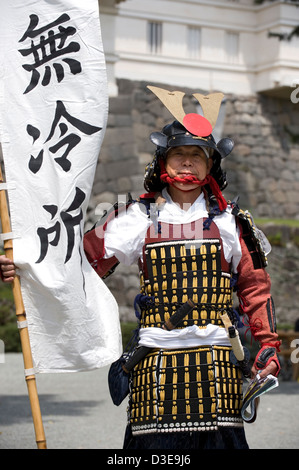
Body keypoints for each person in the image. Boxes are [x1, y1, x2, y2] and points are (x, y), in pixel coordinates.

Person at [0, 90, 280, 449]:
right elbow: (77, 261)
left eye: (198, 156)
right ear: (163, 161)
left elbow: (255, 288)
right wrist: (24, 264)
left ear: (211, 166)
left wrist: (268, 346)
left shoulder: (231, 223)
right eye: (179, 154)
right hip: (155, 359)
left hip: (217, 361)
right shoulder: (135, 217)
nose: (187, 163)